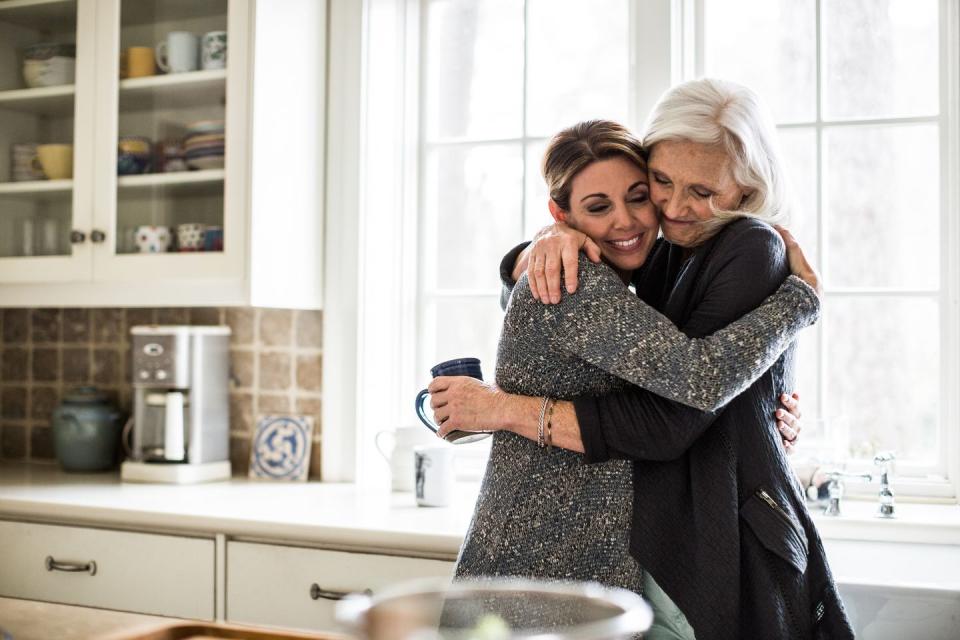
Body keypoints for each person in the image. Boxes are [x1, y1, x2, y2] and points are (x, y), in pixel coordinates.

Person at [431, 81, 853, 639]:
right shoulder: (645, 258)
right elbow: (655, 364)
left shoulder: (730, 247)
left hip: (657, 543)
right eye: (661, 182)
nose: (670, 209)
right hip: (580, 548)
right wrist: (534, 251)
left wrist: (766, 395)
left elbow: (685, 393)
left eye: (701, 190)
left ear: (748, 189)